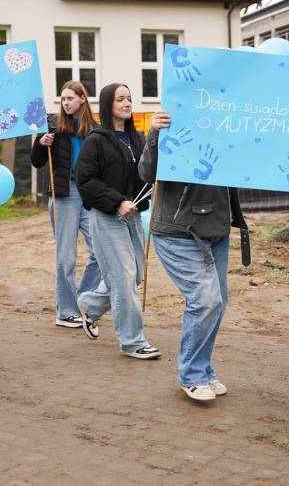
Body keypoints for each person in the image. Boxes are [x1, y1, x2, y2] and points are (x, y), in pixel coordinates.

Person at [138, 110, 250, 401]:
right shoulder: (175, 115)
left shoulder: (231, 120)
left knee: (217, 303)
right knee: (205, 300)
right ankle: (191, 375)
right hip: (179, 231)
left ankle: (203, 369)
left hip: (216, 229)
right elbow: (147, 174)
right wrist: (154, 134)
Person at [75, 83, 159, 360]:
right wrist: (116, 202)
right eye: (121, 99)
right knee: (123, 278)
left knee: (133, 274)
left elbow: (146, 172)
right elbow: (84, 181)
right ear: (108, 103)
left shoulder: (138, 139)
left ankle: (91, 304)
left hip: (133, 217)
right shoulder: (95, 140)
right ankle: (132, 341)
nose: (127, 103)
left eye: (129, 98)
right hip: (106, 217)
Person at [31, 81, 101, 329]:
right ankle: (66, 312)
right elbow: (37, 162)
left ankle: (83, 298)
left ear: (83, 99)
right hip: (65, 194)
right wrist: (41, 144)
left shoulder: (95, 129)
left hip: (89, 193)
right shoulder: (52, 127)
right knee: (66, 257)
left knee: (101, 251)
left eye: (70, 98)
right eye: (63, 99)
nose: (66, 102)